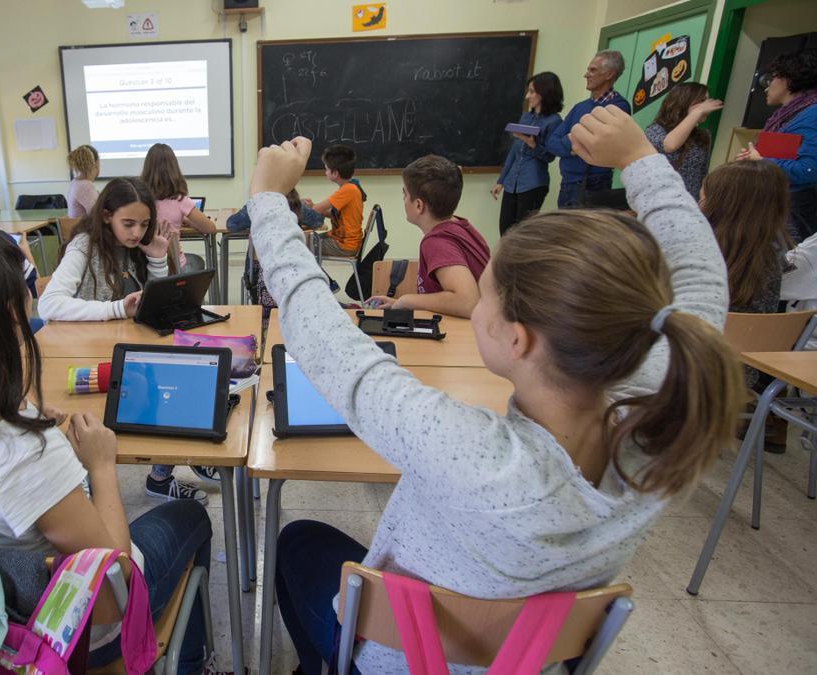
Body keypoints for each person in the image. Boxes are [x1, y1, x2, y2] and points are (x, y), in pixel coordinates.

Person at [249, 108, 741, 673]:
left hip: (399, 660)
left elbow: (325, 340)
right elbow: (702, 286)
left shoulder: (470, 450)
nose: (475, 305)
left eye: (484, 297)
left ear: (518, 339)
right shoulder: (664, 423)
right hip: (526, 658)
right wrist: (641, 159)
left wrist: (267, 199)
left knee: (298, 543)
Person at [0, 219, 213, 673]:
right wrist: (101, 466)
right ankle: (193, 663)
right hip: (75, 631)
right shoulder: (23, 452)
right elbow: (110, 593)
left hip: (8, 607)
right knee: (191, 516)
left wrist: (34, 422)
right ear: (6, 317)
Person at [40, 177, 210, 504]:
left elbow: (155, 303)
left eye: (144, 224)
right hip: (79, 359)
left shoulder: (135, 248)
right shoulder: (85, 247)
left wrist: (159, 256)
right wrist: (116, 308)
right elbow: (49, 303)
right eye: (128, 223)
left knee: (178, 378)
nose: (136, 232)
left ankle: (161, 478)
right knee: (165, 386)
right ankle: (92, 491)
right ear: (106, 216)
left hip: (116, 349)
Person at [701, 160, 792, 447]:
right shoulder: (773, 259)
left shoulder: (701, 259)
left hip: (689, 371)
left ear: (720, 206)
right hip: (741, 377)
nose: (697, 201)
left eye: (703, 196)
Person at [365, 155, 490, 319]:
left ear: (418, 205)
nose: (403, 200)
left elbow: (467, 302)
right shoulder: (461, 226)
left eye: (405, 194)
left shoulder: (436, 242)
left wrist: (407, 300)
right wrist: (397, 303)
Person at [737, 49, 817, 241]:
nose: (767, 85)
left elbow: (809, 169)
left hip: (794, 211)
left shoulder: (811, 113)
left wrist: (762, 160)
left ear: (788, 80)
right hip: (778, 204)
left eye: (773, 77)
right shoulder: (790, 113)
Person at [546, 50, 632, 207]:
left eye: (593, 70)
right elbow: (552, 142)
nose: (586, 75)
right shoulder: (580, 107)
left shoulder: (618, 107)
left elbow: (597, 143)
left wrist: (571, 141)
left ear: (609, 74)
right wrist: (574, 146)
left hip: (593, 184)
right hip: (568, 183)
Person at [491, 72, 565, 234]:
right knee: (505, 231)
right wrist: (501, 180)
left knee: (522, 234)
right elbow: (514, 151)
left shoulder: (554, 121)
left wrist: (532, 144)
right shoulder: (526, 117)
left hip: (533, 183)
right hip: (512, 183)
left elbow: (550, 156)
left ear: (544, 93)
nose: (527, 96)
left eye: (532, 92)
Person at [140, 143, 215, 272]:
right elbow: (210, 228)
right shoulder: (180, 200)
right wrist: (190, 223)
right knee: (197, 262)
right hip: (175, 267)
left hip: (144, 267)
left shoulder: (139, 200)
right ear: (174, 169)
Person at [644, 82, 722, 199]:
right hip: (659, 201)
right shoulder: (655, 129)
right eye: (702, 100)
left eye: (707, 100)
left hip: (689, 204)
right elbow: (669, 146)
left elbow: (702, 173)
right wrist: (696, 112)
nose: (706, 106)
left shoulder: (703, 135)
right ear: (684, 101)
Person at [305, 144, 366, 256]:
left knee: (301, 244)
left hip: (344, 245)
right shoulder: (350, 187)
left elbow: (317, 209)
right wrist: (313, 205)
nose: (325, 172)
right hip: (341, 240)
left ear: (335, 173)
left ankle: (311, 273)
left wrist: (309, 206)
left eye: (326, 169)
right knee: (306, 240)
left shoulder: (348, 189)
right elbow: (333, 214)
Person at [67, 144, 101, 218]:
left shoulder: (75, 182)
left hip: (78, 228)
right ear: (96, 163)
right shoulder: (85, 186)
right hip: (85, 229)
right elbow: (98, 216)